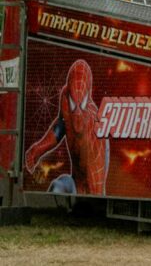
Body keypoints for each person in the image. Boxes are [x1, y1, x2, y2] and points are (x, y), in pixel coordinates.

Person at [24, 60, 109, 195]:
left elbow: (97, 194)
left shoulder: (95, 135)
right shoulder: (65, 96)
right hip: (75, 181)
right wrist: (38, 149)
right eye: (73, 105)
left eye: (81, 106)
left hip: (91, 186)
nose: (77, 114)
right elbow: (60, 126)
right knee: (56, 189)